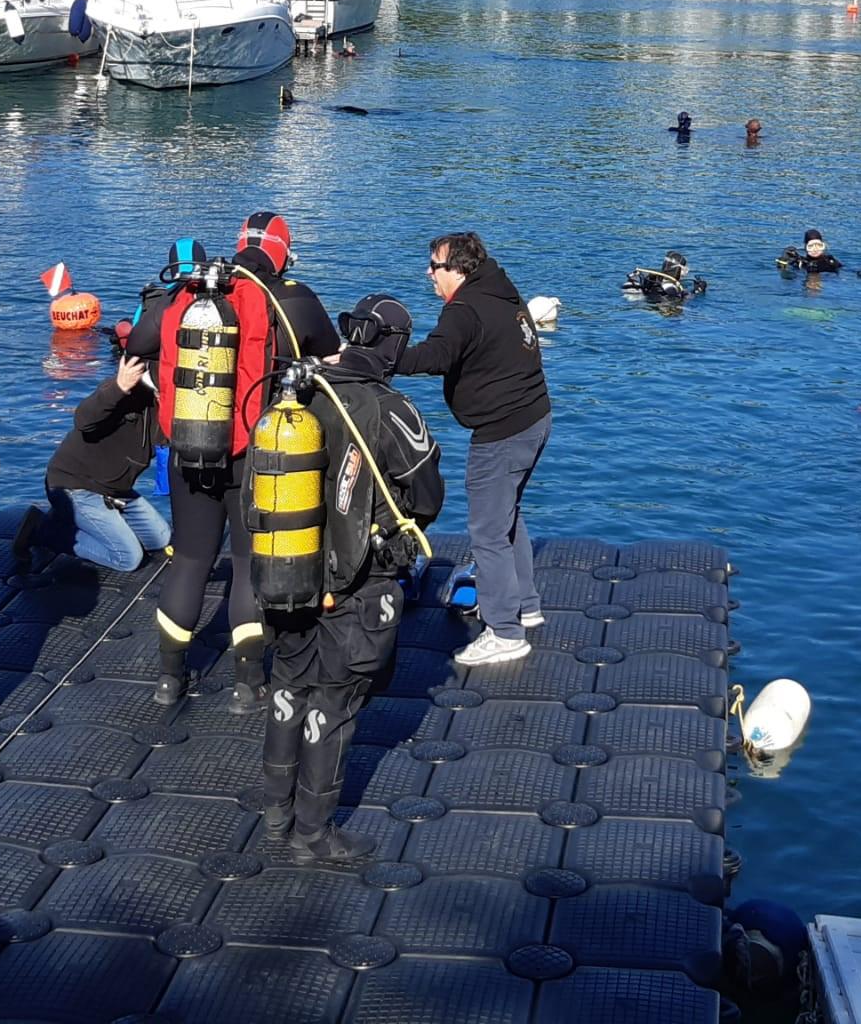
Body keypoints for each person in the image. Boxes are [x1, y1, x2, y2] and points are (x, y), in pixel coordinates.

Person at [258, 294, 443, 866]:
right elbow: (427, 495)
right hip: (355, 580)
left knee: (288, 687)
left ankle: (274, 815)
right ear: (393, 345)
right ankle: (313, 834)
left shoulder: (299, 391)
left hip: (289, 566)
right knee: (334, 704)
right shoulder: (390, 408)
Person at [138, 214, 340, 709]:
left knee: (189, 561)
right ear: (283, 253)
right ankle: (247, 685)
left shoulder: (187, 295)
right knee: (248, 566)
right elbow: (333, 354)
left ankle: (169, 679)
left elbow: (139, 342)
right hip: (255, 455)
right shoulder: (294, 298)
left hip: (190, 447)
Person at [397, 232, 551, 667]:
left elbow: (436, 355)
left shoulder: (464, 309)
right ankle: (526, 605)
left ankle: (505, 631)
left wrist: (382, 360)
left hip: (502, 432)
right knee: (507, 516)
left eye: (436, 265)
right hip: (535, 417)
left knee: (486, 531)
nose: (429, 272)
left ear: (460, 270)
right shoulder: (499, 286)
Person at [17, 349, 172, 574]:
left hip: (116, 489)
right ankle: (42, 530)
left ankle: (75, 519)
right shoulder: (128, 393)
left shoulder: (170, 409)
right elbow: (84, 419)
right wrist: (119, 387)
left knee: (159, 538)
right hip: (76, 485)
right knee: (128, 557)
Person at [624, 250, 707, 305]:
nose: (685, 273)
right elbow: (683, 300)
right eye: (683, 270)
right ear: (677, 269)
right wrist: (697, 290)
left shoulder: (655, 277)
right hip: (661, 305)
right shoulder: (670, 286)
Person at [776, 230, 843, 275]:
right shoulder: (800, 262)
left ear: (824, 246)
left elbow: (844, 272)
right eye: (811, 246)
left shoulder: (830, 261)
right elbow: (786, 276)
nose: (815, 249)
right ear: (805, 247)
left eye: (819, 245)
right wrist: (783, 261)